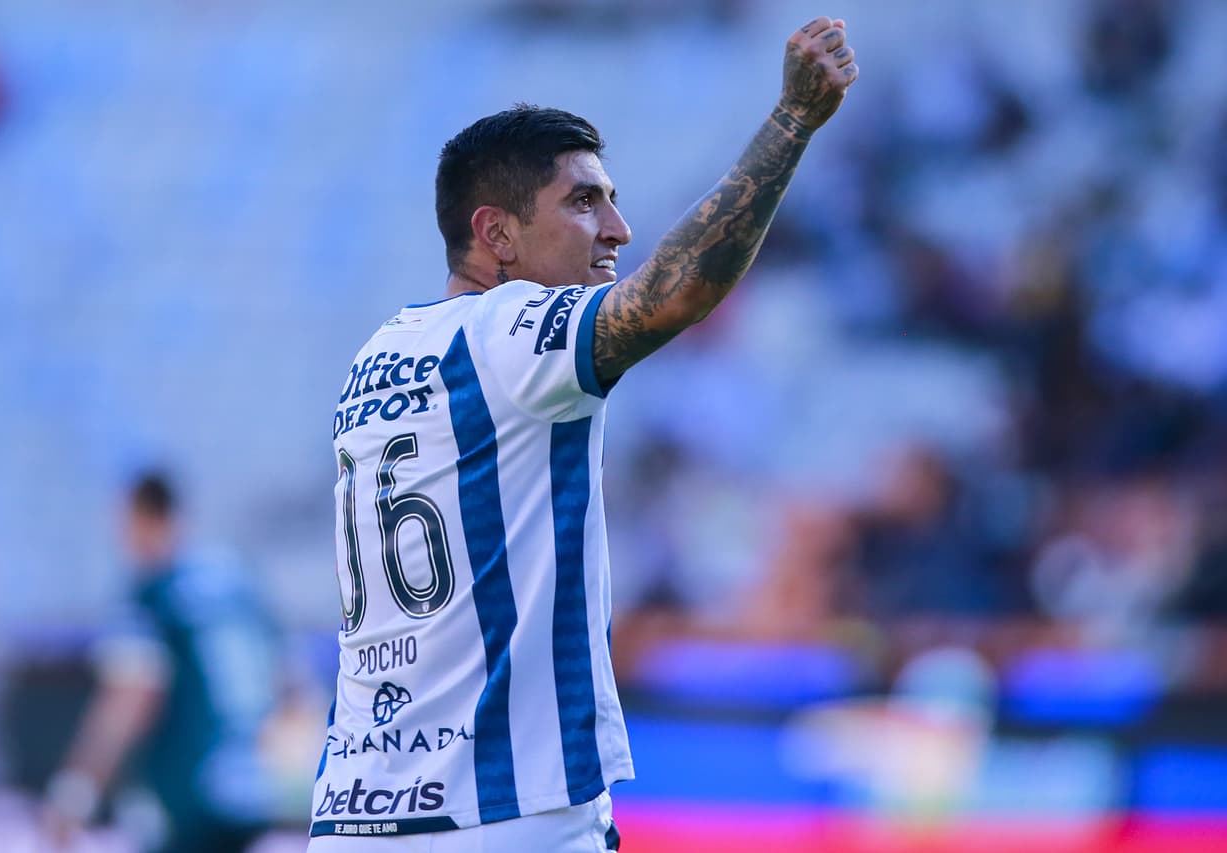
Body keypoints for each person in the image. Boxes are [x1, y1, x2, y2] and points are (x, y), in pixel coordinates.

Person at [312, 15, 857, 851]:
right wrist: (792, 122)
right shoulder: (505, 331)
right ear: (496, 233)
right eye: (583, 201)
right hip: (507, 812)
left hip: (358, 811)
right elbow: (671, 297)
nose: (617, 228)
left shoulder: (380, 353)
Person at [44, 472, 279, 853]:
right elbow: (282, 679)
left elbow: (131, 698)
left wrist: (77, 790)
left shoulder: (153, 593)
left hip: (186, 797)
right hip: (251, 790)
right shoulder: (235, 584)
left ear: (138, 517)